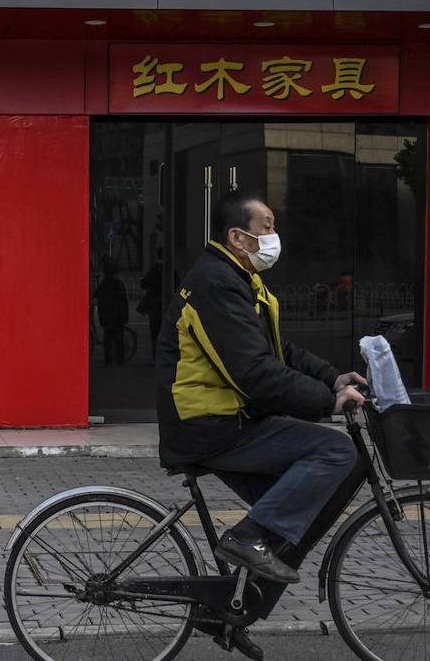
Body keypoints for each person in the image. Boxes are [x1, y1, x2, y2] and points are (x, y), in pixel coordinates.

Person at [155, 190, 365, 660]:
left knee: (301, 511)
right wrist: (329, 404)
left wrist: (333, 377)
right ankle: (245, 537)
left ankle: (234, 608)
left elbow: (278, 350)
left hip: (226, 418)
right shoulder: (216, 284)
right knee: (334, 453)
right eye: (266, 226)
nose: (274, 236)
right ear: (237, 236)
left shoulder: (239, 279)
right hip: (210, 423)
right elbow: (255, 373)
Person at [93, 256, 130, 365]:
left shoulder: (104, 284)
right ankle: (120, 359)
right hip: (117, 316)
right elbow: (123, 302)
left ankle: (108, 359)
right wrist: (125, 315)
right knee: (119, 338)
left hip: (106, 315)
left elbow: (96, 295)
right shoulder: (119, 284)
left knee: (108, 338)